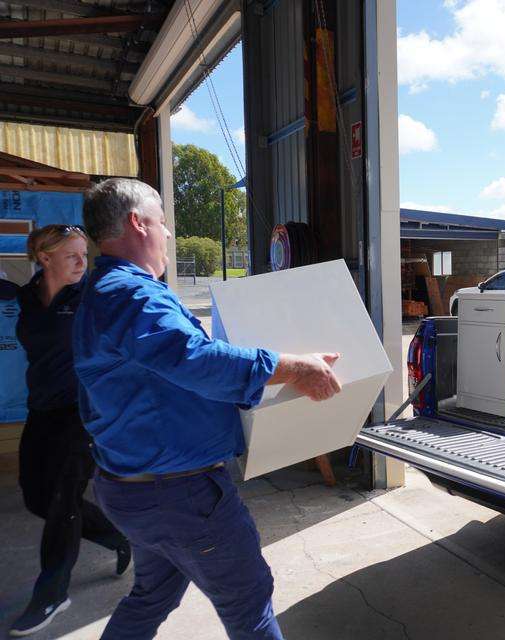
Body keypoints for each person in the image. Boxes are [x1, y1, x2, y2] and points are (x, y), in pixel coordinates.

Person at [73, 178, 342, 640]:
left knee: (153, 594)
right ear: (138, 223)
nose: (169, 235)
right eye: (162, 222)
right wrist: (294, 367)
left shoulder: (107, 289)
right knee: (249, 601)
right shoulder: (132, 295)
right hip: (179, 494)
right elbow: (193, 360)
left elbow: (171, 361)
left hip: (132, 486)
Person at [11, 225, 130, 637]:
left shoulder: (91, 298)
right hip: (41, 410)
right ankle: (115, 533)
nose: (83, 262)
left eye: (85, 254)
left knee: (62, 502)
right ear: (44, 258)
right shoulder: (29, 296)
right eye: (72, 255)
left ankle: (51, 593)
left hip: (83, 413)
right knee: (37, 497)